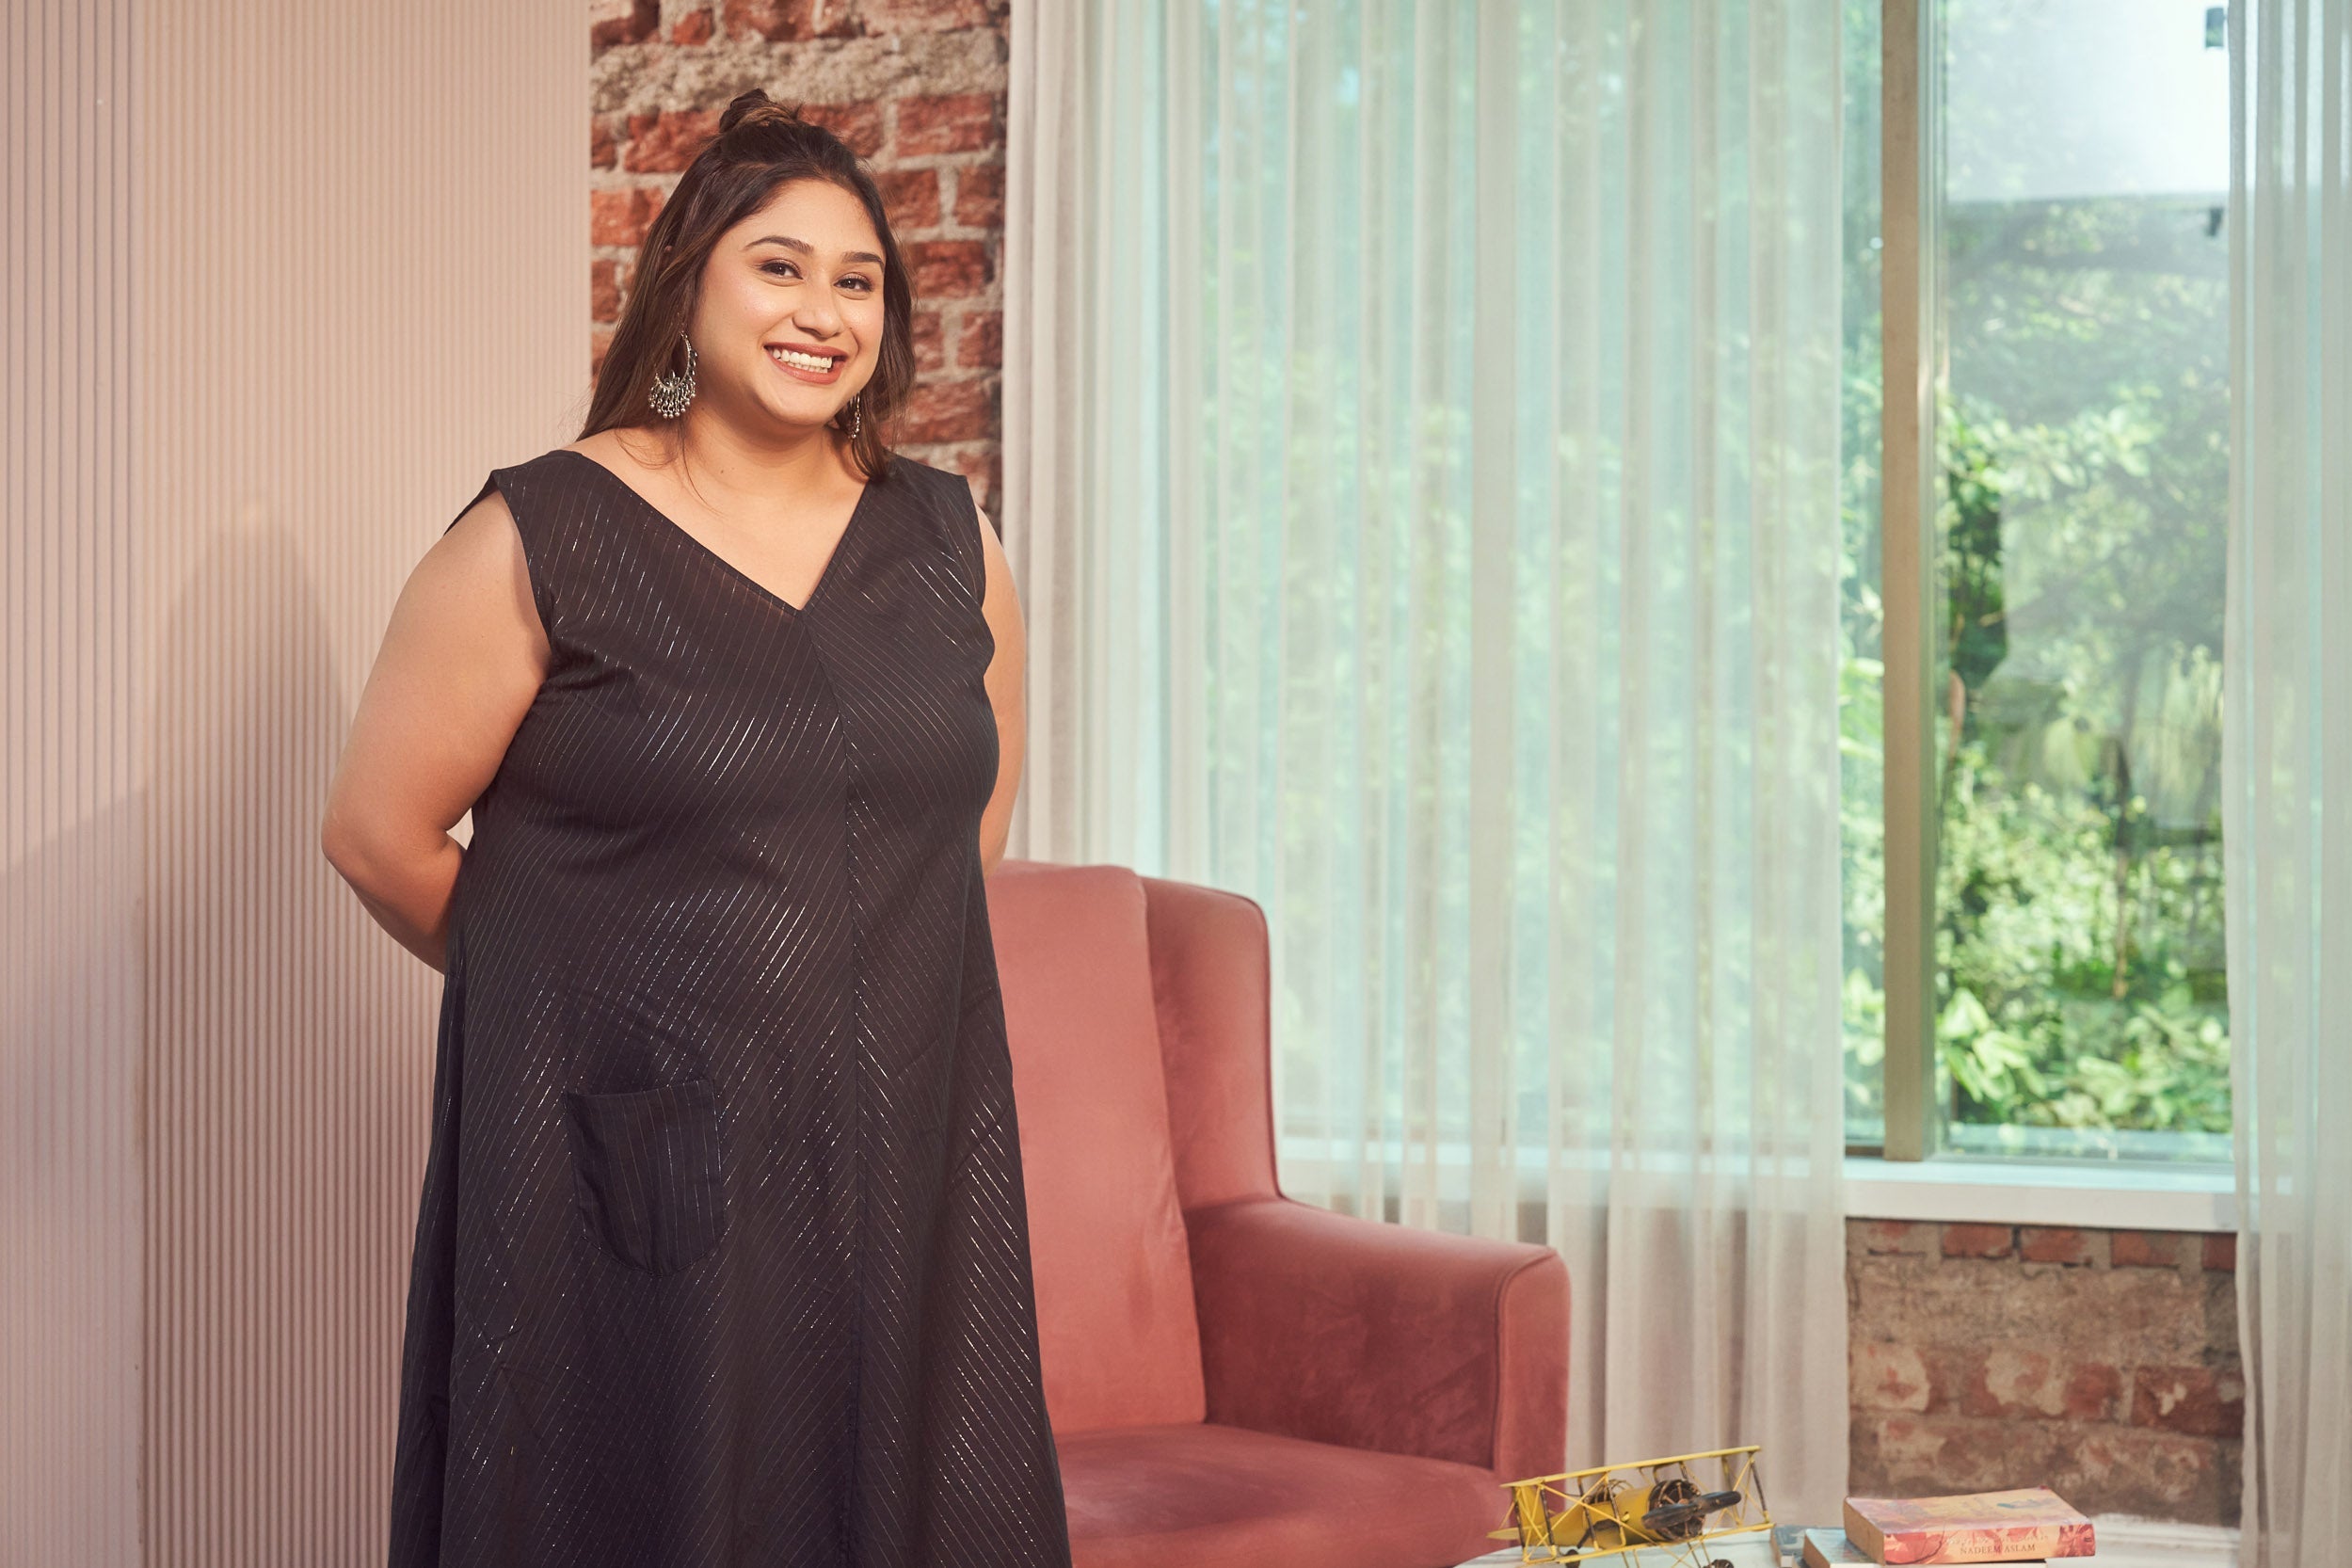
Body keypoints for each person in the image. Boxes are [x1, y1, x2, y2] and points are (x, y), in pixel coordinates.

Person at [319, 89, 1074, 1567]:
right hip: (638, 1191)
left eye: (858, 280)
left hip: (906, 1169)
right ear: (689, 285)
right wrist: (599, 1009)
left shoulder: (951, 543)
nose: (823, 311)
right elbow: (377, 833)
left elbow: (958, 839)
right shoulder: (543, 535)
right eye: (778, 266)